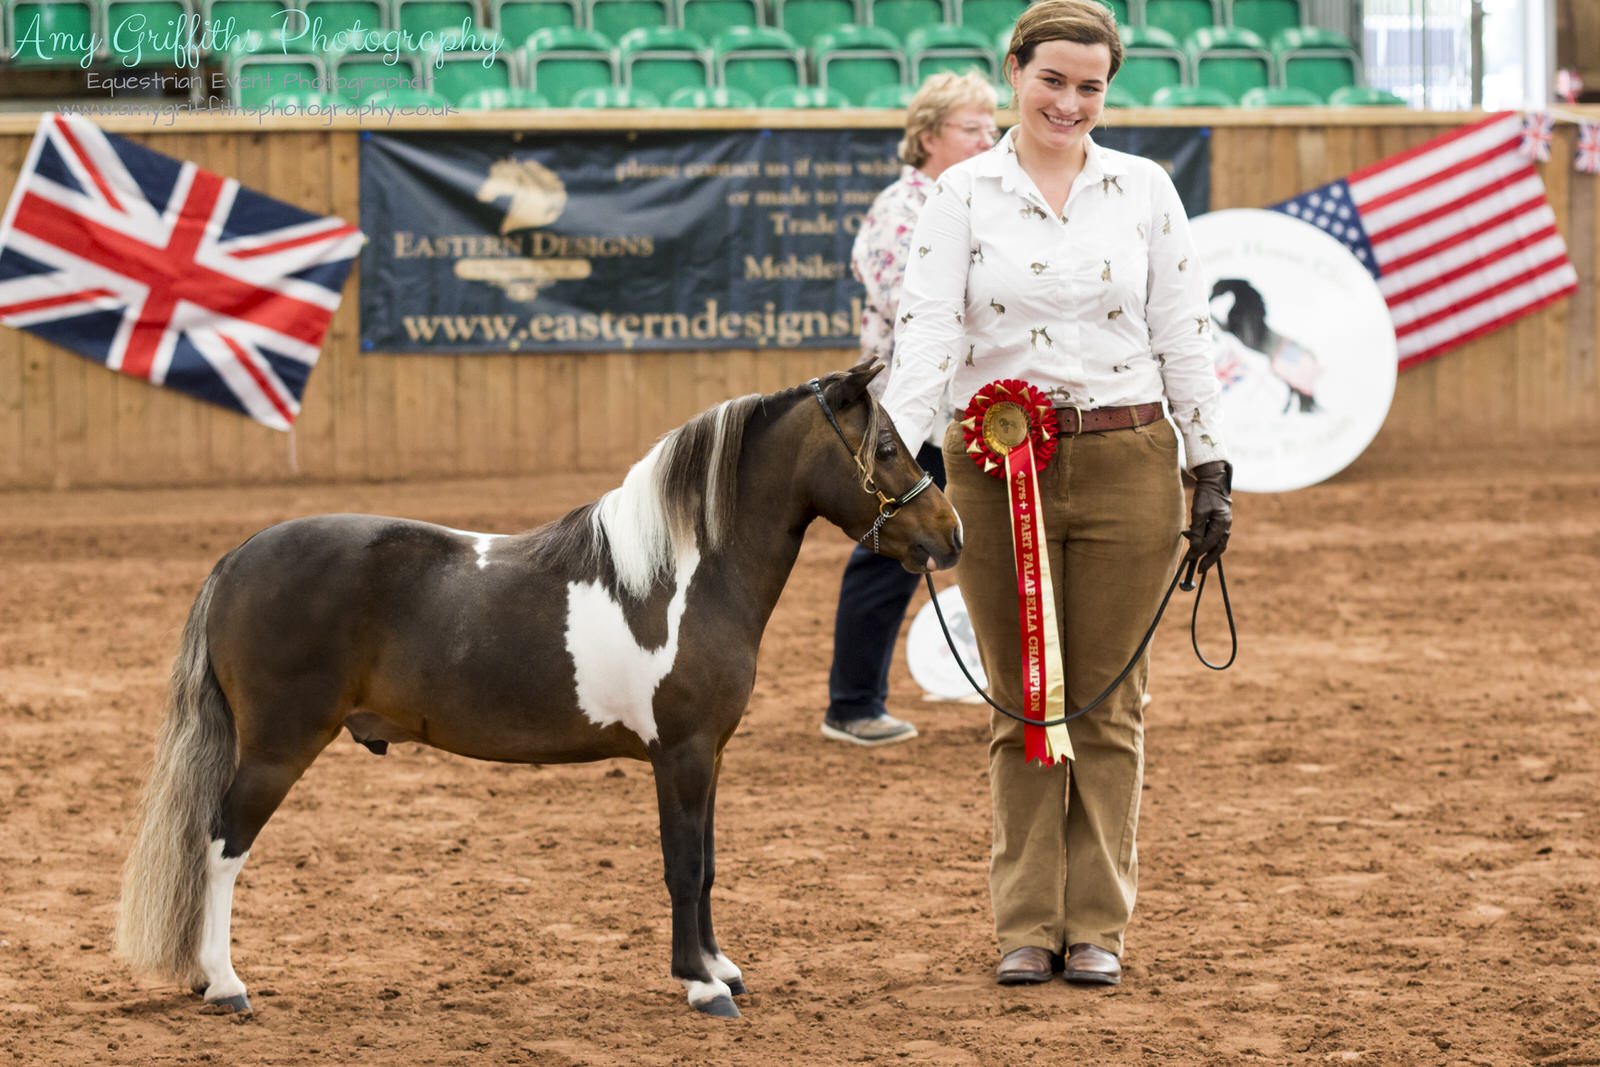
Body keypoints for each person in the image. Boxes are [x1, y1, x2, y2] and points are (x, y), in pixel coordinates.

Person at [879, 0, 1233, 985]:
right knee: (1022, 699)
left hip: (1129, 461)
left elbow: (1182, 331)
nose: (1069, 102)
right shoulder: (962, 196)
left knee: (1111, 702)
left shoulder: (1144, 190)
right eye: (1052, 81)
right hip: (994, 473)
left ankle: (1098, 923)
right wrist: (899, 463)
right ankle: (1026, 923)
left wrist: (1209, 464)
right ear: (1015, 72)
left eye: (1090, 87)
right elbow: (928, 330)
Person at [821, 72, 1001, 746]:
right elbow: (921, 311)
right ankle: (853, 702)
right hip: (914, 417)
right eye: (972, 128)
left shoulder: (983, 203)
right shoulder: (903, 211)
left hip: (979, 413)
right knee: (891, 554)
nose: (990, 139)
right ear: (928, 138)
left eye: (993, 128)